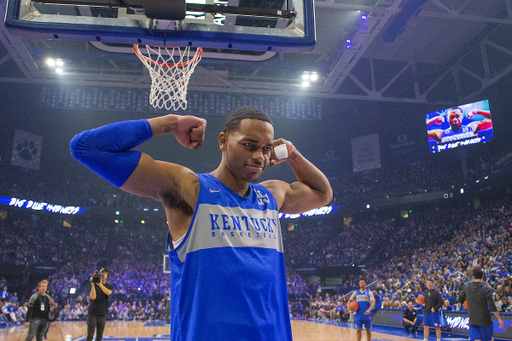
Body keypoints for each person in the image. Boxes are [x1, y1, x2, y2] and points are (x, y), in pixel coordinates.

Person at [70, 108, 333, 341]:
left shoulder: (272, 195)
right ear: (222, 141)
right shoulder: (191, 188)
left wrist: (292, 154)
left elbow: (323, 194)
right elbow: (85, 147)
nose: (259, 157)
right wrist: (170, 124)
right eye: (249, 145)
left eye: (265, 149)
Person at [458, 268, 504, 341]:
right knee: (489, 339)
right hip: (484, 319)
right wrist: (499, 318)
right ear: (483, 276)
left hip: (472, 319)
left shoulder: (467, 288)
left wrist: (468, 305)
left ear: (473, 276)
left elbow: (460, 299)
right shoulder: (486, 289)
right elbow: (492, 305)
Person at [427, 107, 492, 144]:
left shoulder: (472, 127)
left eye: (457, 116)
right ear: (447, 119)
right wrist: (433, 120)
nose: (455, 119)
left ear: (462, 116)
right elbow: (422, 135)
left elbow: (492, 119)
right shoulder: (441, 134)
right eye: (452, 117)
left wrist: (477, 111)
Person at [87, 268, 113, 341]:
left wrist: (100, 284)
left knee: (99, 337)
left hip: (102, 314)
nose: (103, 275)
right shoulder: (94, 285)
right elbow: (93, 297)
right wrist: (92, 284)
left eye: (105, 273)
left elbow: (108, 292)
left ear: (107, 276)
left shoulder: (108, 286)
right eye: (102, 273)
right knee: (90, 336)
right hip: (93, 313)